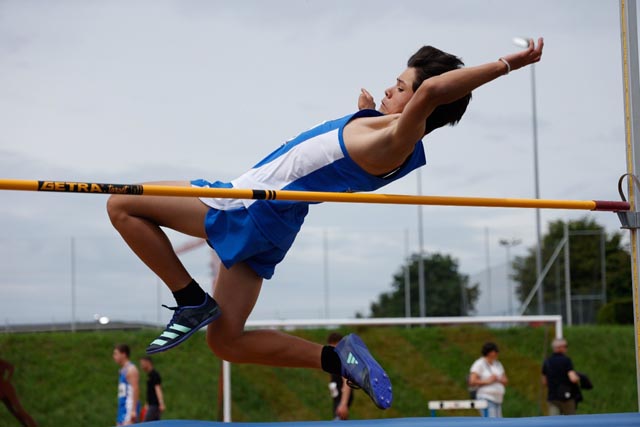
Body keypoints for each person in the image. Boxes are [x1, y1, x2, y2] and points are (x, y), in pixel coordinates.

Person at [106, 38, 543, 410]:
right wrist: (367, 112)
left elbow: (430, 93)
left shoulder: (394, 141)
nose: (392, 89)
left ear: (424, 102)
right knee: (225, 342)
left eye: (401, 87)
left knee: (122, 206)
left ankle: (189, 299)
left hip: (244, 206)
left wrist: (507, 64)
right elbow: (332, 153)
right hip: (275, 220)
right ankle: (338, 360)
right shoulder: (382, 129)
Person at [468, 342, 508, 417]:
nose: (497, 353)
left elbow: (505, 380)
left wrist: (498, 379)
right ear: (489, 352)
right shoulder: (479, 363)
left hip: (498, 399)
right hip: (486, 398)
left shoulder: (497, 364)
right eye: (495, 351)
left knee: (499, 423)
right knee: (491, 422)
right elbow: (472, 381)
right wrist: (488, 381)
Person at [542, 338, 580, 415]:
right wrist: (578, 378)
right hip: (566, 397)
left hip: (552, 397)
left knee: (554, 422)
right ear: (561, 347)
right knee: (570, 422)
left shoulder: (547, 361)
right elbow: (573, 378)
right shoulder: (566, 360)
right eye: (566, 346)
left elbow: (544, 381)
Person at [0, 358, 37, 427]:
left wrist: (7, 380)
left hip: (5, 389)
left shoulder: (1, 362)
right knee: (13, 411)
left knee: (19, 410)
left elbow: (10, 367)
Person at [327, 333, 354, 420]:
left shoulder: (344, 360)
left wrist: (343, 404)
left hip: (342, 397)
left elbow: (347, 382)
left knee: (338, 421)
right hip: (337, 397)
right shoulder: (334, 360)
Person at [113, 344, 140, 425]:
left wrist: (134, 410)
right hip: (122, 408)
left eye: (116, 353)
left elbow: (136, 389)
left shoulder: (131, 370)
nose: (114, 356)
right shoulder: (123, 370)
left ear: (124, 354)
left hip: (129, 409)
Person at [140, 356, 165, 422]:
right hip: (151, 405)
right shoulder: (150, 375)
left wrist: (161, 403)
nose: (141, 366)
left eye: (142, 364)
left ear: (148, 363)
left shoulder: (154, 375)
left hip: (154, 405)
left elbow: (158, 389)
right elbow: (150, 392)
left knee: (146, 423)